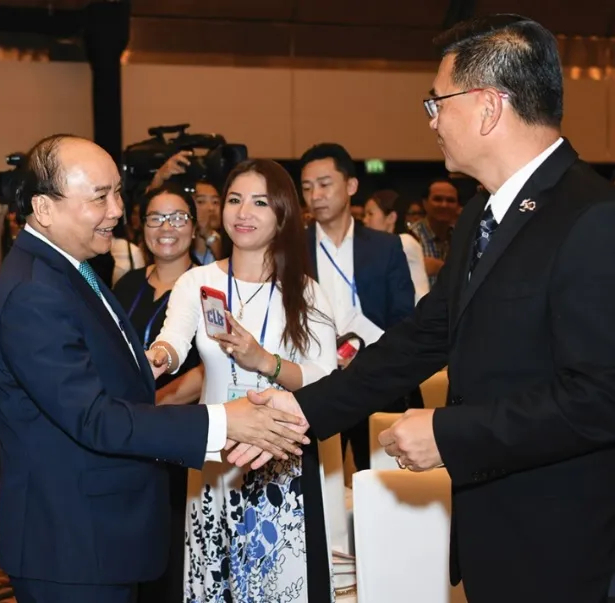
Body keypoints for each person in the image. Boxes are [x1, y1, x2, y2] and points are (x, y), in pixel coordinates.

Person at [230, 14, 615, 603]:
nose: (431, 119)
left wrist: (449, 433)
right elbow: (422, 336)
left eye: (437, 102)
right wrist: (302, 411)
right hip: (494, 532)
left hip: (563, 542)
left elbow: (599, 398)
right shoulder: (481, 218)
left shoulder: (591, 217)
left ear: (488, 107)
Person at [0, 134, 310, 603]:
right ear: (45, 208)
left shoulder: (67, 268)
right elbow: (94, 417)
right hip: (70, 542)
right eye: (100, 198)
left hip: (95, 532)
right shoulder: (35, 291)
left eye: (117, 192)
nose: (117, 210)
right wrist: (223, 420)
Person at [149, 159, 338, 602]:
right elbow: (172, 340)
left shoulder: (306, 291)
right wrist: (158, 357)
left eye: (259, 202)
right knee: (212, 587)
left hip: (280, 466)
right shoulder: (198, 281)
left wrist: (262, 360)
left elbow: (322, 377)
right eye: (234, 200)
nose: (243, 212)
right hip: (215, 457)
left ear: (283, 214)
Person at [112, 182, 205, 603]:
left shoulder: (211, 285)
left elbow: (209, 368)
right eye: (155, 218)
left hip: (177, 436)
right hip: (127, 435)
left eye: (178, 218)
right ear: (141, 226)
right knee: (129, 551)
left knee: (173, 552)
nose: (166, 228)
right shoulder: (126, 284)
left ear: (195, 226)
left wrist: (153, 405)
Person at [300, 143, 415, 469]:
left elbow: (404, 318)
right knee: (319, 484)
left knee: (383, 480)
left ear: (350, 186)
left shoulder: (385, 247)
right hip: (316, 383)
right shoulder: (293, 247)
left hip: (375, 381)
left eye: (324, 184)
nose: (315, 195)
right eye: (307, 188)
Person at [362, 189, 431, 303]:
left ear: (391, 217)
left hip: (413, 314)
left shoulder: (405, 242)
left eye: (370, 214)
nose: (365, 220)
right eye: (365, 215)